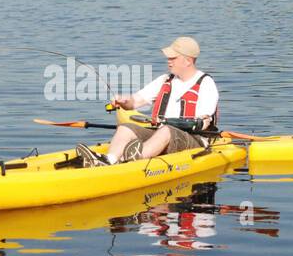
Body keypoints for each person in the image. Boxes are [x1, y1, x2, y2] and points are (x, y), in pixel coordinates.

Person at [76, 36, 220, 166]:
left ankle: (132, 163)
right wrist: (123, 101)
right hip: (163, 135)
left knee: (166, 130)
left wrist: (172, 122)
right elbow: (135, 102)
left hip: (194, 140)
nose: (169, 61)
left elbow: (204, 121)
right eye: (168, 58)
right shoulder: (165, 80)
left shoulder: (206, 83)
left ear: (188, 60)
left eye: (173, 58)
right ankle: (109, 160)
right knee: (125, 127)